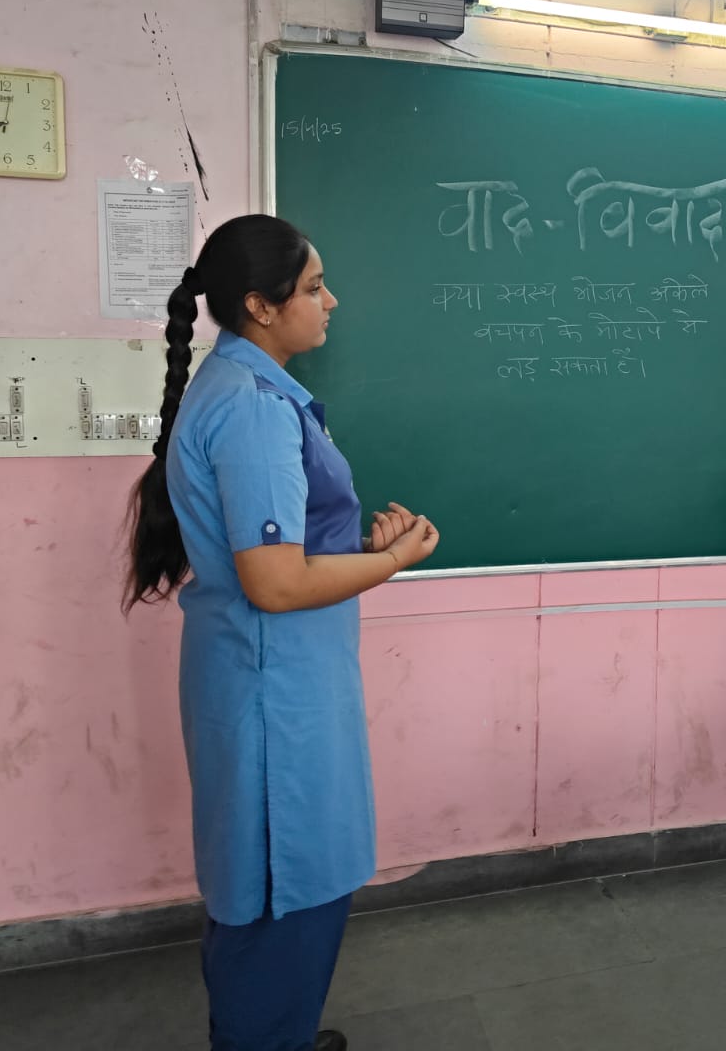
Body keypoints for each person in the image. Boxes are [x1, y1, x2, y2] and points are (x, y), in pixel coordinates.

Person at [124, 214, 439, 1051]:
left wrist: (356, 551)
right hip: (276, 696)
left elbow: (285, 551)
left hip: (267, 679)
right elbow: (275, 582)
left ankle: (275, 1035)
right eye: (313, 288)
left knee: (269, 889)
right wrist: (393, 560)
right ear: (261, 306)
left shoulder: (239, 386)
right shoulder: (255, 409)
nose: (331, 303)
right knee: (283, 893)